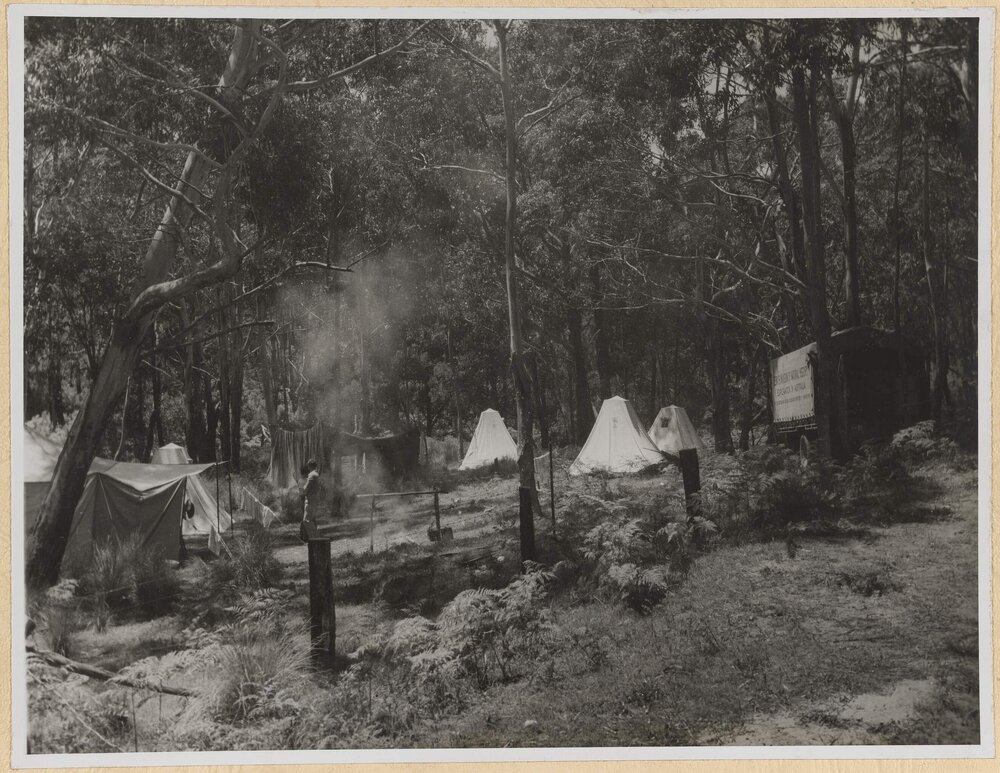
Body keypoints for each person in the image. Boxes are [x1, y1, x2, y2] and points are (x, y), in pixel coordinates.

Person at [300, 458, 320, 541]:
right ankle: (315, 538)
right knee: (312, 519)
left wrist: (303, 489)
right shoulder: (316, 474)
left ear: (309, 466)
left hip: (310, 500)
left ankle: (314, 538)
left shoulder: (311, 475)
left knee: (306, 520)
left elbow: (306, 488)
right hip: (314, 499)